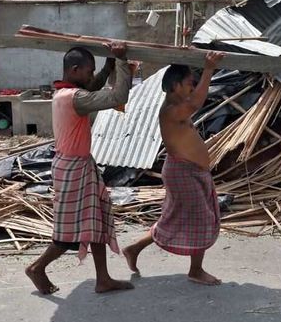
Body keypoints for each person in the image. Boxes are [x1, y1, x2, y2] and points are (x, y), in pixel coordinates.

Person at [26, 42, 134, 294]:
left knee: (95, 222)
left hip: (79, 166)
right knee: (67, 234)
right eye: (88, 71)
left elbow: (91, 89)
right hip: (73, 169)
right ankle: (37, 268)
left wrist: (107, 70)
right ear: (75, 70)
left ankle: (103, 279)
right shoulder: (75, 97)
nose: (90, 75)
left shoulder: (65, 93)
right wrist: (121, 61)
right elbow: (118, 97)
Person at [123, 51, 225, 286]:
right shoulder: (171, 110)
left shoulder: (178, 106)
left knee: (173, 219)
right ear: (176, 85)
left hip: (191, 172)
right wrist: (208, 69)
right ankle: (196, 271)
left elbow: (193, 101)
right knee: (201, 219)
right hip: (183, 172)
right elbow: (197, 102)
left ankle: (134, 248)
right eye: (190, 83)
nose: (193, 86)